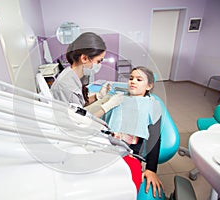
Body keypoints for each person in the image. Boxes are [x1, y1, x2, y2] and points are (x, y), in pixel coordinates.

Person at [105, 66, 164, 198]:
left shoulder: (152, 106)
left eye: (139, 79)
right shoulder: (118, 99)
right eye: (131, 78)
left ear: (149, 86)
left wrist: (151, 169)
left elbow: (155, 138)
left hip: (130, 154)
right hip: (107, 148)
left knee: (125, 189)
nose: (133, 81)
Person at [51, 32, 123, 117]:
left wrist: (98, 96)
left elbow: (78, 104)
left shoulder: (71, 74)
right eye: (99, 61)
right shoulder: (68, 88)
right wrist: (107, 107)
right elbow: (80, 122)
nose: (99, 65)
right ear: (84, 58)